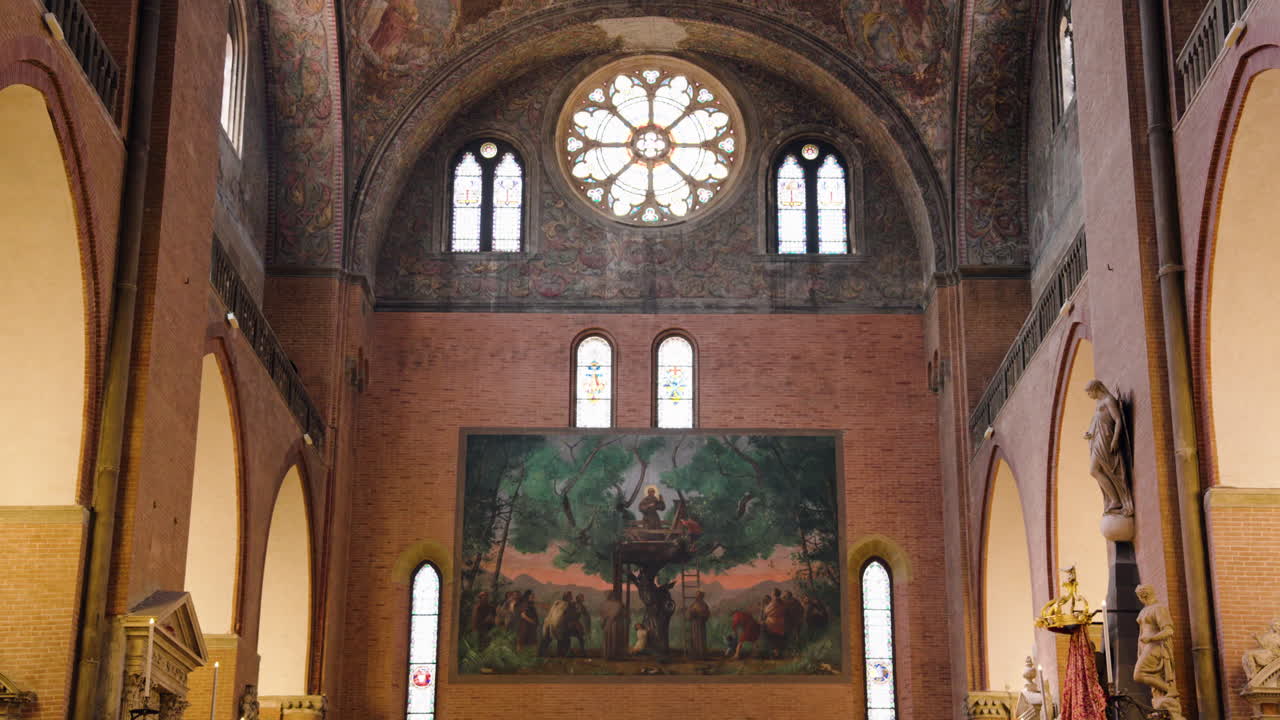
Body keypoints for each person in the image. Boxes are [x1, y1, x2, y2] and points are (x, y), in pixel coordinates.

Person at [1083, 380, 1134, 516]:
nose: (1089, 395)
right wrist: (1090, 434)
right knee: (1094, 471)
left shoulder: (1108, 400)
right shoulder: (1099, 404)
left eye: (1089, 392)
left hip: (1107, 439)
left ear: (1096, 388)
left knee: (1107, 469)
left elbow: (1117, 419)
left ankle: (1117, 500)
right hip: (1098, 439)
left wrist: (1116, 439)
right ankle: (1115, 500)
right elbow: (1096, 423)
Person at [600, 590, 628, 661]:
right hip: (615, 624)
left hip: (610, 623)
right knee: (613, 638)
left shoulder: (605, 604)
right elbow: (623, 614)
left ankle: (610, 655)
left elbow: (603, 615)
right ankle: (613, 655)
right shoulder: (618, 604)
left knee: (611, 638)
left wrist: (603, 622)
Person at [763, 589, 788, 657]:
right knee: (779, 637)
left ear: (774, 594)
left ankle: (774, 652)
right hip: (782, 623)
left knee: (765, 630)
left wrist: (765, 608)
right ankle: (778, 652)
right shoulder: (783, 602)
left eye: (772, 593)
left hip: (772, 623)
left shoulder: (773, 602)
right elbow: (785, 611)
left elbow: (766, 611)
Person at [686, 590, 711, 659]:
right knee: (695, 638)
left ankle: (702, 654)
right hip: (694, 624)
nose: (698, 597)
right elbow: (689, 614)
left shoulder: (704, 605)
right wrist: (692, 613)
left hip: (701, 624)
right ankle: (696, 654)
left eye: (699, 596)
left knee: (701, 639)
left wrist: (702, 616)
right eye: (697, 596)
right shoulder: (693, 604)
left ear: (702, 597)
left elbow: (707, 613)